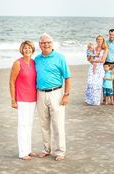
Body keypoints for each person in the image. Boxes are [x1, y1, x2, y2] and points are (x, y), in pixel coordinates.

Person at [35, 33, 71, 161]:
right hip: (40, 94)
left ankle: (60, 151)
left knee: (57, 123)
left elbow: (67, 77)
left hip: (56, 93)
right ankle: (46, 149)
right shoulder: (37, 59)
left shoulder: (60, 58)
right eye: (43, 42)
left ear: (52, 43)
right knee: (44, 124)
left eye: (48, 42)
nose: (46, 44)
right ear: (39, 45)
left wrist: (66, 95)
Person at [9, 40, 37, 160]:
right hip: (21, 98)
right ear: (22, 50)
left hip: (33, 98)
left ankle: (28, 149)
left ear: (32, 50)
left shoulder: (34, 62)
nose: (27, 50)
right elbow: (11, 82)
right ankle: (22, 152)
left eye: (29, 48)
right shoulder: (17, 63)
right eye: (25, 48)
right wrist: (13, 100)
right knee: (23, 125)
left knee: (29, 124)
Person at [85, 35, 108, 105]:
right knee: (90, 83)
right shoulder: (93, 48)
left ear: (103, 40)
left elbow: (103, 60)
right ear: (96, 40)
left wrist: (94, 61)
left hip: (100, 68)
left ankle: (96, 101)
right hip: (92, 67)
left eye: (101, 39)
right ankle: (89, 100)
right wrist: (90, 57)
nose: (99, 41)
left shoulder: (105, 49)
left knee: (97, 84)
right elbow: (89, 59)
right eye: (98, 39)